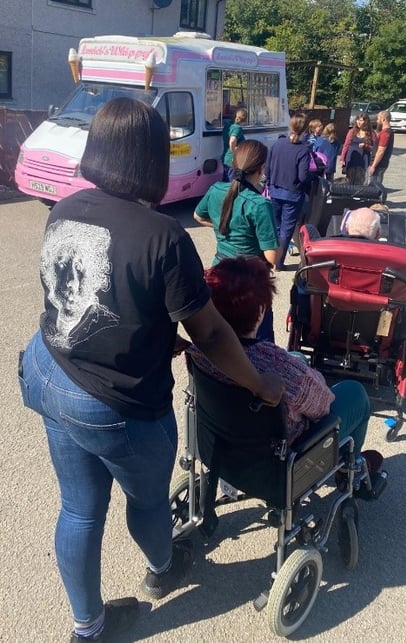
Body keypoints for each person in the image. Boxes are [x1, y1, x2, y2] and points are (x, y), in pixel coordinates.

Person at [18, 98, 282, 643]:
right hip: (113, 402)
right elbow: (211, 333)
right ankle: (163, 568)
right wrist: (261, 383)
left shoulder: (65, 208)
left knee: (79, 509)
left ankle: (88, 628)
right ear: (152, 158)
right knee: (146, 500)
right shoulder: (164, 236)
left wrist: (157, 335)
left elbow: (94, 296)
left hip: (48, 368)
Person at [188, 257, 383, 476]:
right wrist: (312, 377)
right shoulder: (280, 366)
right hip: (279, 457)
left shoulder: (198, 352)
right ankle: (349, 469)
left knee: (296, 356)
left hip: (225, 441)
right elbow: (323, 405)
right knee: (355, 393)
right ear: (261, 311)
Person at [193, 139, 279, 341]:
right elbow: (272, 257)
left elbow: (198, 216)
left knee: (221, 334)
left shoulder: (216, 189)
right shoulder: (260, 204)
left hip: (219, 271)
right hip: (250, 281)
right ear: (261, 169)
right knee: (258, 340)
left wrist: (222, 225)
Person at [266, 114, 312, 271]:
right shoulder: (304, 149)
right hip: (292, 194)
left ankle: (270, 259)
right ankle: (278, 263)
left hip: (275, 190)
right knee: (286, 229)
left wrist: (269, 183)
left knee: (276, 227)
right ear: (305, 130)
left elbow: (268, 167)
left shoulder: (278, 144)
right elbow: (303, 177)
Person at [340, 113, 377, 185]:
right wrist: (342, 158)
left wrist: (366, 146)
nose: (358, 122)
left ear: (366, 121)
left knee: (360, 179)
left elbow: (375, 148)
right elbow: (346, 145)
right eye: (357, 120)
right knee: (349, 179)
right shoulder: (352, 131)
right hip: (352, 158)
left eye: (361, 120)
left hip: (363, 159)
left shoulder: (371, 133)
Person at [369, 110, 394, 185]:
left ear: (383, 119)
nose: (377, 121)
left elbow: (381, 151)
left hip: (378, 165)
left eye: (378, 118)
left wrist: (373, 166)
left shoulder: (385, 133)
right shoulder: (388, 132)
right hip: (381, 164)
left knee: (374, 187)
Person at [222, 107, 247, 181]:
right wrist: (234, 154)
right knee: (232, 183)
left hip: (226, 158)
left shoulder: (228, 125)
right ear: (244, 119)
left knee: (226, 181)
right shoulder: (237, 128)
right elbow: (232, 141)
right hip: (232, 161)